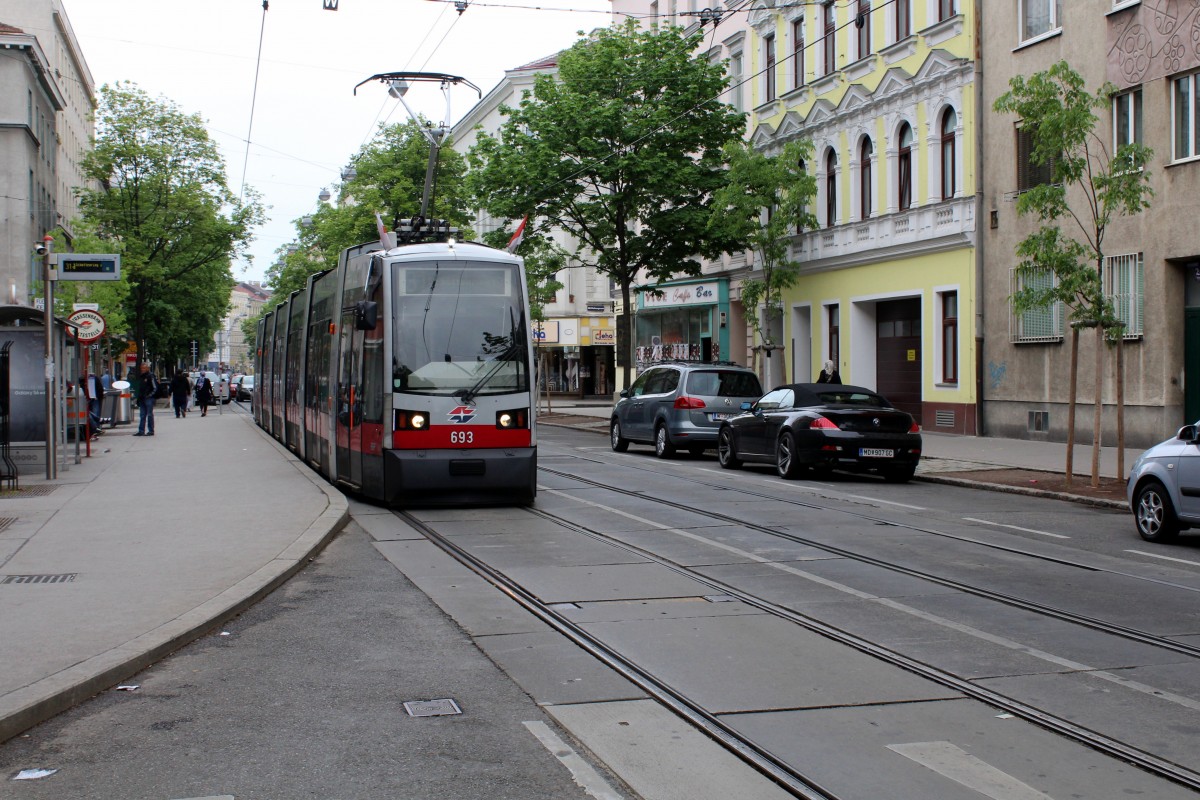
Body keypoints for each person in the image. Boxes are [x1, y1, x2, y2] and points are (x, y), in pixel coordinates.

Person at [134, 362, 157, 436]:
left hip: (148, 398)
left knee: (149, 414)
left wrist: (149, 395)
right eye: (142, 368)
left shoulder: (150, 376)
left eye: (144, 368)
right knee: (142, 415)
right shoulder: (141, 377)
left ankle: (150, 430)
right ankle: (141, 430)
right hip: (142, 398)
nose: (142, 369)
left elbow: (155, 387)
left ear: (147, 368)